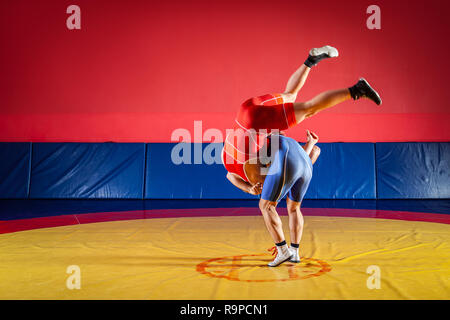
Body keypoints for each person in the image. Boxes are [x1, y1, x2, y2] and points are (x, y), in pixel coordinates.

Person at [222, 45, 381, 266]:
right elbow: (232, 176)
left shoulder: (254, 167)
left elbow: (285, 168)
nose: (260, 187)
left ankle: (356, 90)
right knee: (291, 95)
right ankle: (310, 60)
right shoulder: (233, 163)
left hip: (254, 123)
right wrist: (249, 187)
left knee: (308, 108)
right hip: (247, 110)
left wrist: (252, 187)